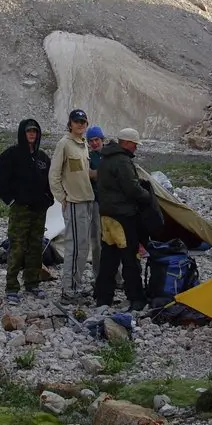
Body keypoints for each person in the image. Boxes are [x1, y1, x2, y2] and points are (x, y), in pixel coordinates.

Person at [0, 118, 54, 305]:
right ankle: (12, 286)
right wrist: (11, 201)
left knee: (35, 245)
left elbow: (50, 180)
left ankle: (32, 282)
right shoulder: (11, 155)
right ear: (22, 132)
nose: (32, 134)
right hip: (20, 209)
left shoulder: (43, 157)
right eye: (29, 131)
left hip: (39, 209)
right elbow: (1, 181)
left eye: (35, 131)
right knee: (17, 246)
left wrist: (48, 199)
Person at [95, 128, 152, 311]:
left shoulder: (105, 159)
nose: (136, 147)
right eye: (135, 144)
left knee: (108, 258)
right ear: (127, 143)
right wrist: (148, 196)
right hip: (123, 217)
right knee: (130, 257)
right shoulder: (122, 161)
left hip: (106, 216)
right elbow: (132, 189)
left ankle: (103, 298)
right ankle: (136, 298)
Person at [49, 109, 95, 304]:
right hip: (74, 203)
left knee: (83, 247)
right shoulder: (64, 144)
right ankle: (68, 290)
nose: (80, 124)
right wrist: (62, 198)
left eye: (83, 121)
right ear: (70, 123)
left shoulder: (84, 144)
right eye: (77, 121)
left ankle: (76, 286)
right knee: (74, 247)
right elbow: (54, 174)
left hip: (87, 200)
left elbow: (84, 173)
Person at [86, 124, 123, 291]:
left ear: (102, 139)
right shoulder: (88, 157)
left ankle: (118, 276)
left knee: (115, 239)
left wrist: (97, 173)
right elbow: (88, 174)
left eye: (97, 140)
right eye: (91, 141)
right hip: (96, 202)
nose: (94, 143)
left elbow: (95, 174)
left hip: (112, 203)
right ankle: (99, 276)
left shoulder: (110, 155)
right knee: (97, 241)